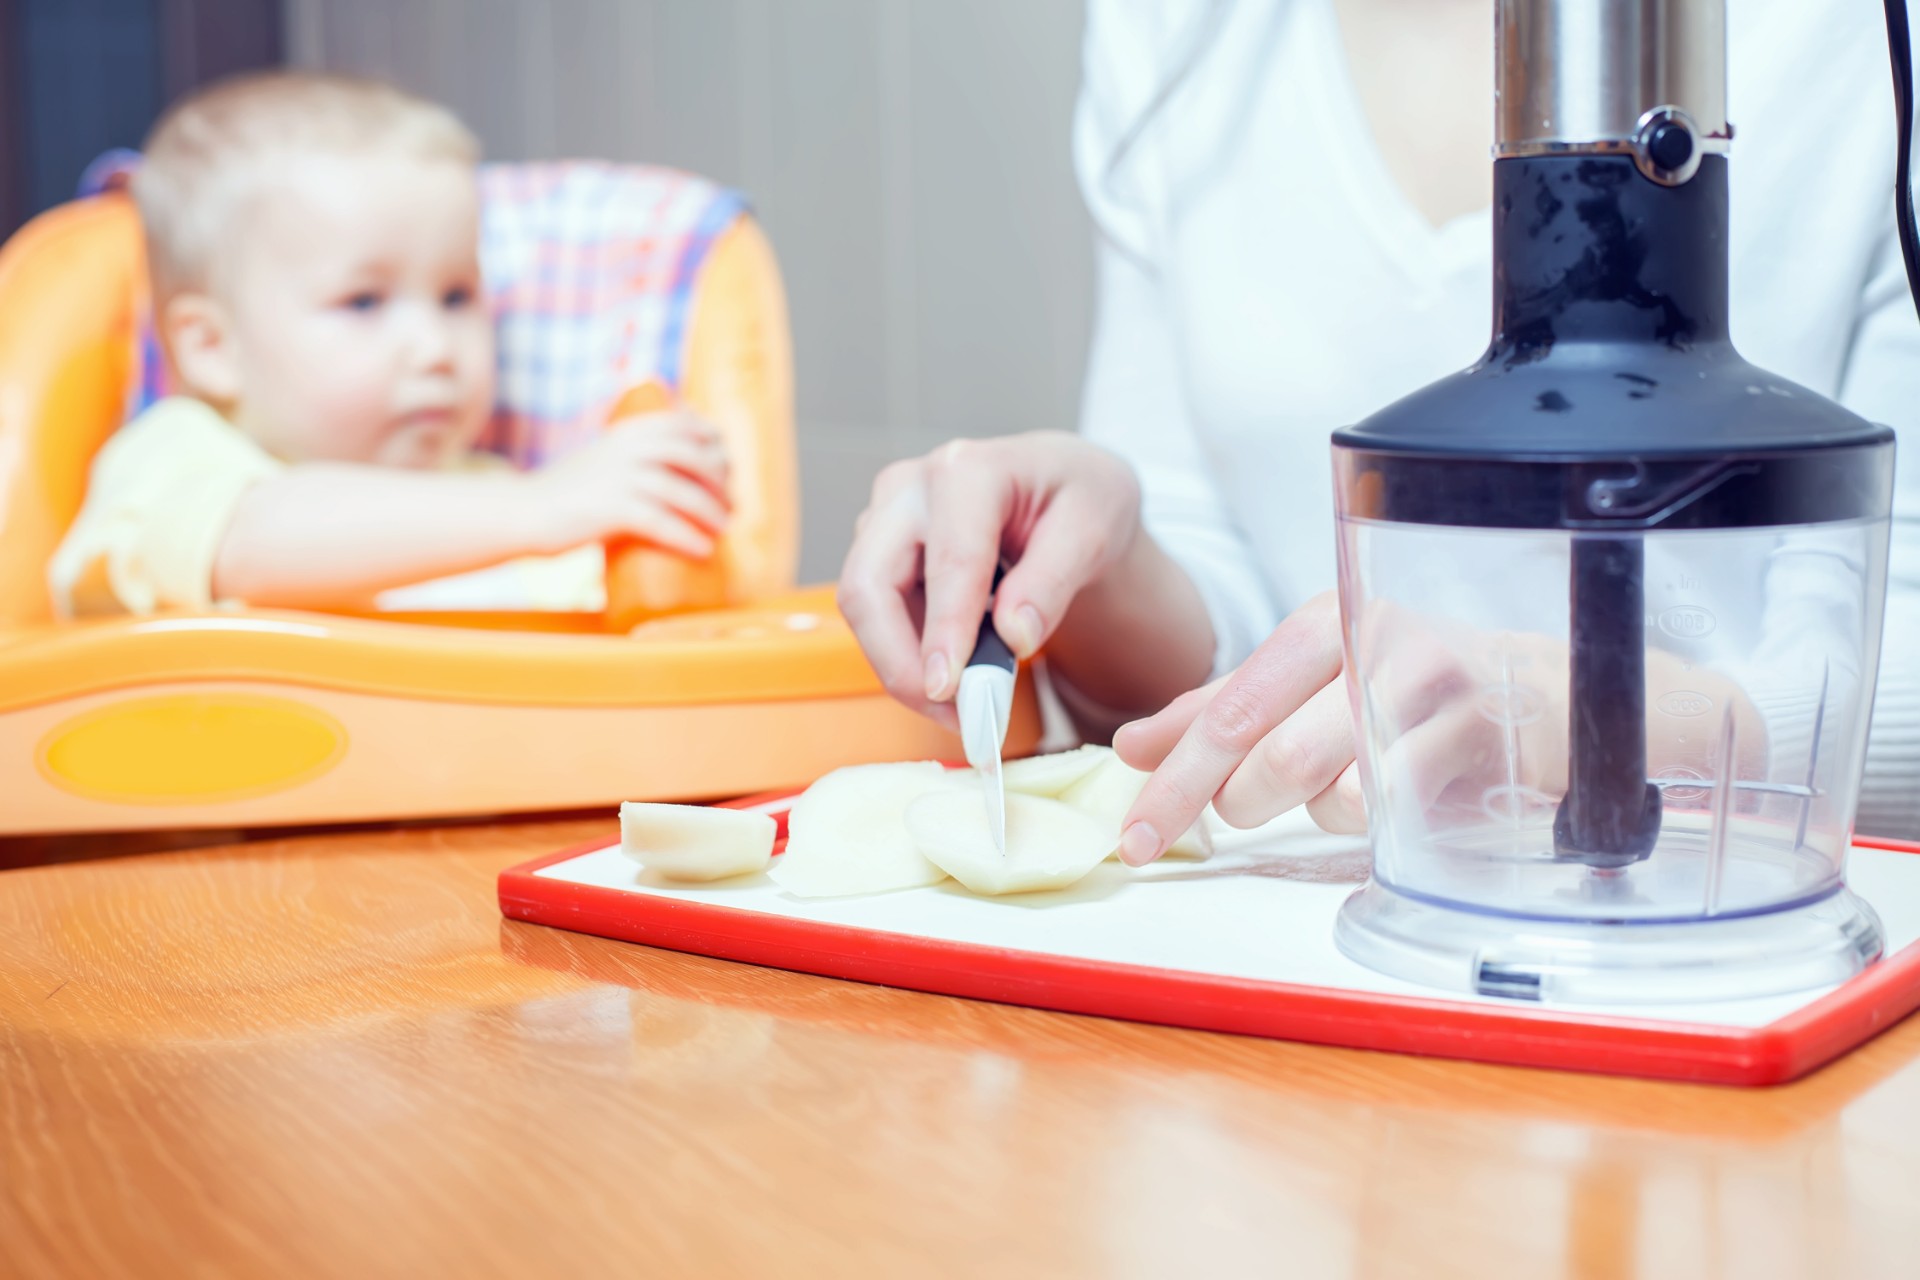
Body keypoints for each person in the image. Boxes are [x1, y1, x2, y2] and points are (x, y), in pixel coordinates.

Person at [837, 0, 1920, 858]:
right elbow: (1235, 608)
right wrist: (1100, 564)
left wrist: (1588, 718)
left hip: (1724, 950)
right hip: (1309, 961)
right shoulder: (1178, 29)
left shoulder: (1873, 40)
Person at [50, 71, 729, 617]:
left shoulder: (499, 495)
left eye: (458, 296)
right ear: (211, 349)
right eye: (364, 301)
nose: (435, 347)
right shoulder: (174, 457)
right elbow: (247, 544)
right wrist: (547, 508)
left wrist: (653, 504)